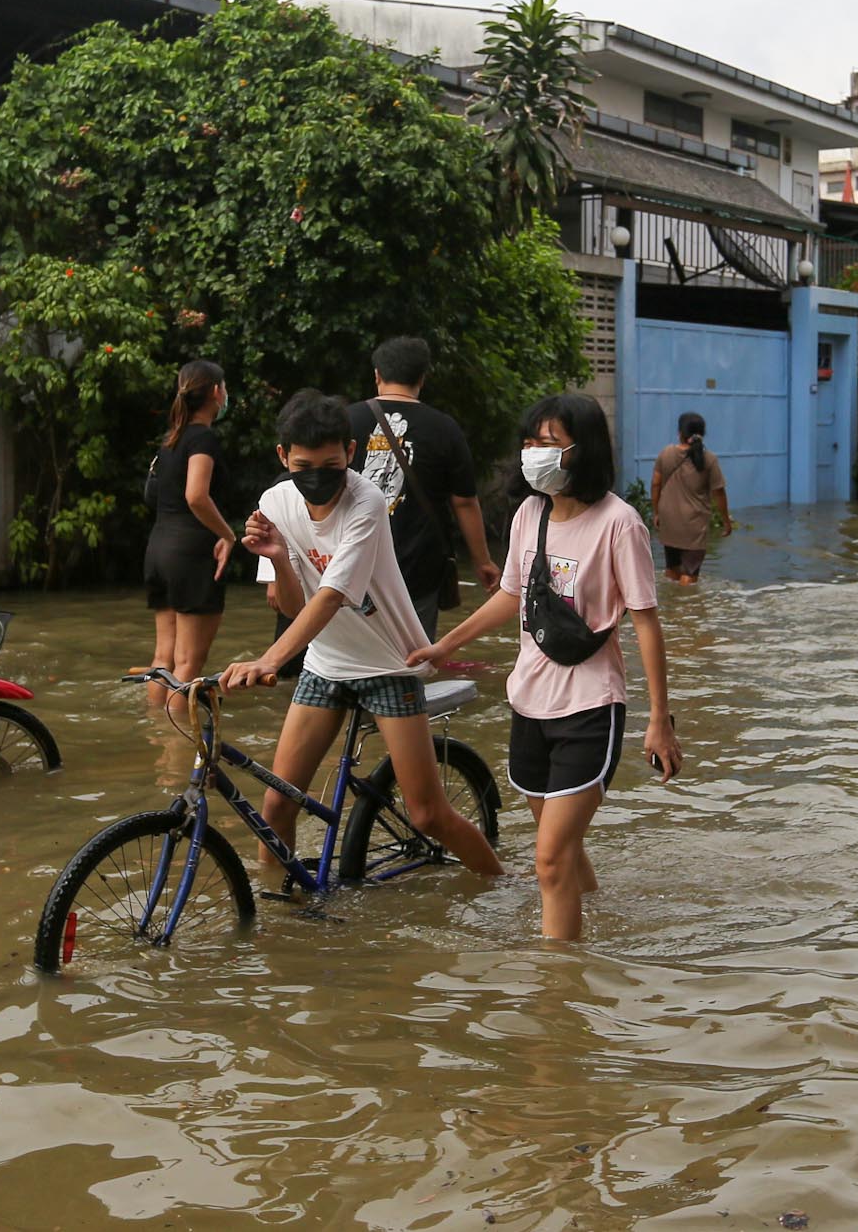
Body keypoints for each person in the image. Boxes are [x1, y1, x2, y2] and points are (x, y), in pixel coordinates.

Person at [407, 392, 684, 941]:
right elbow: (511, 595)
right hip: (529, 702)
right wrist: (445, 645)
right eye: (530, 443)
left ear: (583, 451)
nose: (534, 454)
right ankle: (596, 924)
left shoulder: (619, 524)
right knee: (562, 851)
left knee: (548, 861)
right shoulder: (529, 514)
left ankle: (556, 992)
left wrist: (659, 718)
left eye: (549, 444)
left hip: (590, 707)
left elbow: (646, 623)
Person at [220, 391, 503, 881]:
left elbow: (331, 596)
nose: (317, 476)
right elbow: (292, 607)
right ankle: (284, 914)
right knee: (276, 808)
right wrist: (281, 559)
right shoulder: (274, 503)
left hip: (390, 663)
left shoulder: (366, 500)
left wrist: (268, 661)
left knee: (427, 814)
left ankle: (501, 883)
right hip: (325, 663)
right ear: (283, 456)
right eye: (303, 464)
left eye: (330, 464)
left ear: (350, 454)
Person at [347, 336, 501, 640]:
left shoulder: (345, 420)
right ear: (422, 378)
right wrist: (482, 560)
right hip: (418, 566)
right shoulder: (445, 428)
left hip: (350, 561)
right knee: (412, 655)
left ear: (377, 374)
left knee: (348, 653)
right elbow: (465, 503)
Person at [145, 359, 239, 703]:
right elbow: (196, 495)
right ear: (216, 392)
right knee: (188, 664)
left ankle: (156, 736)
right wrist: (228, 535)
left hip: (159, 550)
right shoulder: (203, 439)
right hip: (191, 554)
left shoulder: (170, 441)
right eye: (224, 387)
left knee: (163, 660)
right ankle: (177, 749)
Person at [651, 412, 733, 583]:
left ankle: (672, 607)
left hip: (669, 520)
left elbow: (655, 484)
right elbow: (719, 492)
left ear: (680, 432)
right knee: (690, 574)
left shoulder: (665, 453)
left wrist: (656, 512)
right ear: (702, 434)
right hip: (694, 524)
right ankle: (686, 606)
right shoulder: (709, 459)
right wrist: (726, 521)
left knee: (672, 570)